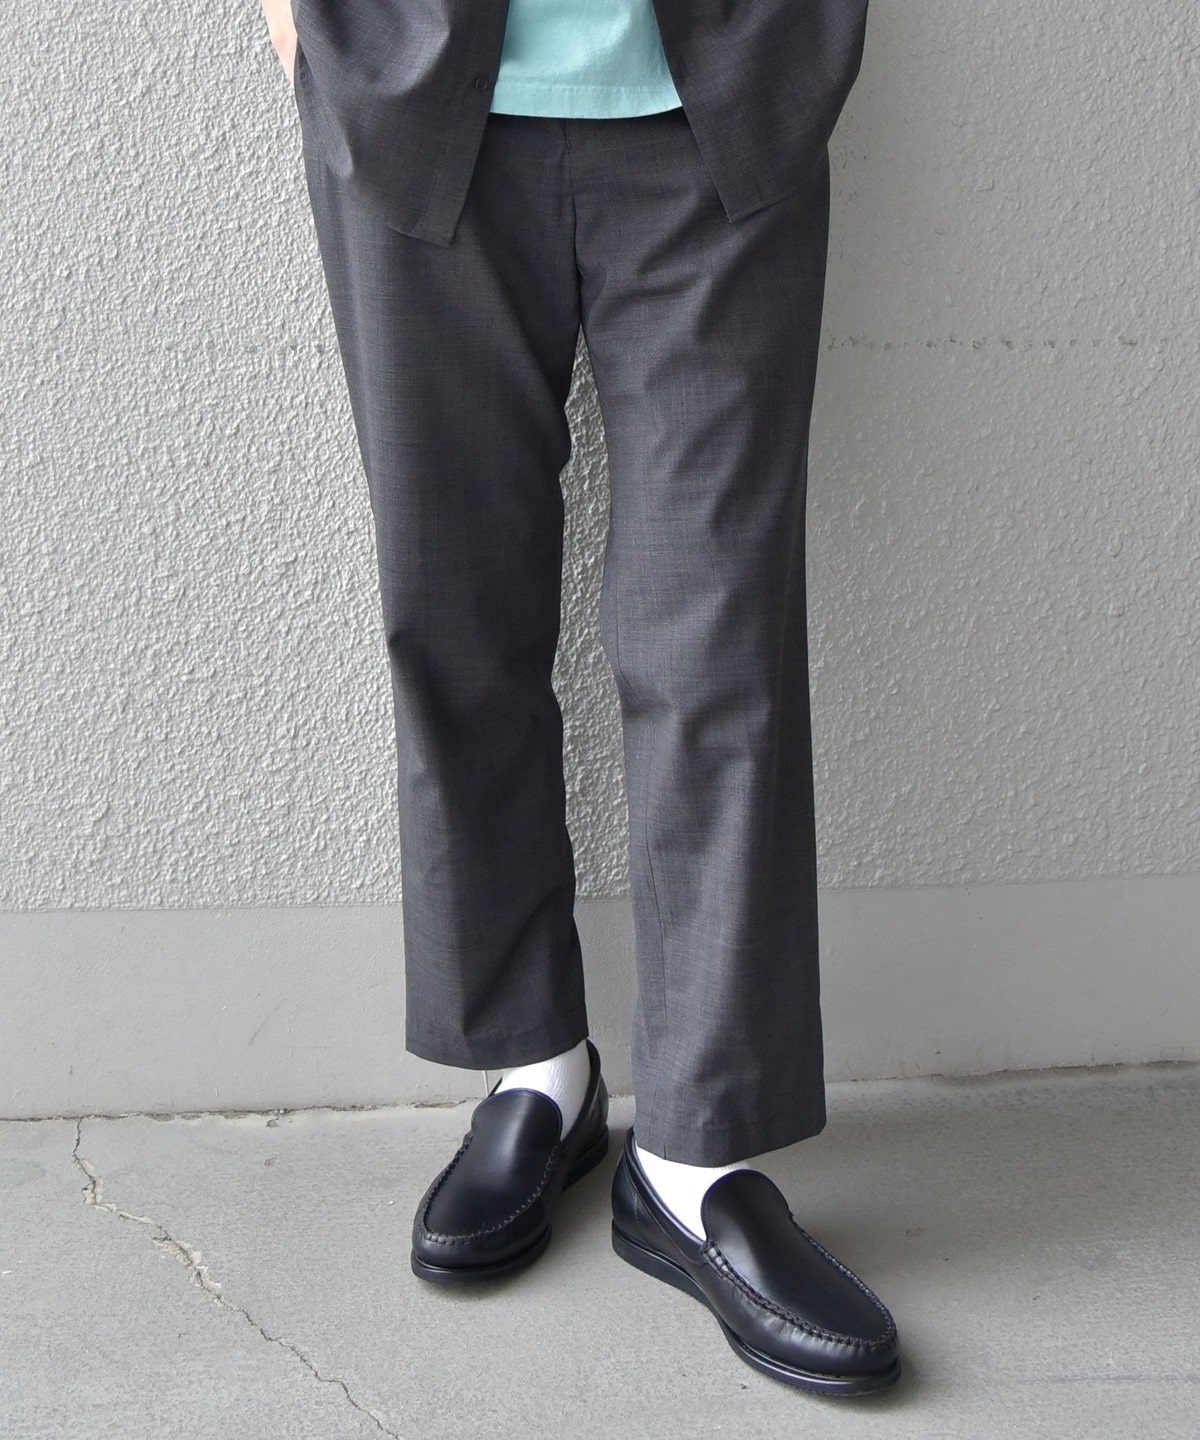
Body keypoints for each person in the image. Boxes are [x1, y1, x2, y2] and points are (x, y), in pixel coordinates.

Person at [262, 0, 901, 1397]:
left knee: (719, 645)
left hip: (722, 96)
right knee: (453, 614)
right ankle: (535, 1071)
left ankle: (695, 1159)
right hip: (413, 92)